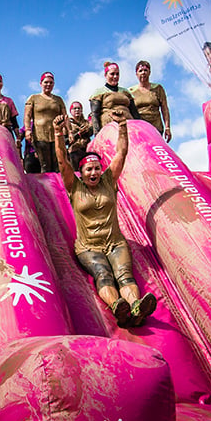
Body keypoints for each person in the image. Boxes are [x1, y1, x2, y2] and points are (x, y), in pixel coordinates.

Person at [54, 111, 157, 326]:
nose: (94, 172)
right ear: (81, 172)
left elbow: (121, 153)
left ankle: (136, 307)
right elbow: (62, 161)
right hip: (89, 247)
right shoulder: (75, 187)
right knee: (103, 274)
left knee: (125, 275)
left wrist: (122, 126)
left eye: (97, 168)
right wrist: (58, 133)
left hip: (115, 243)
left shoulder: (109, 180)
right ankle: (118, 307)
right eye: (89, 169)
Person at [24, 72, 67, 172]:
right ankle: (47, 186)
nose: (48, 85)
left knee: (58, 162)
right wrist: (27, 130)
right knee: (44, 163)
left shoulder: (58, 99)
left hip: (56, 134)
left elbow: (65, 116)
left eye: (51, 83)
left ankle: (59, 186)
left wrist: (68, 131)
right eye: (46, 82)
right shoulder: (33, 98)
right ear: (41, 83)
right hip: (40, 135)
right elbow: (27, 115)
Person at [90, 62, 140, 135]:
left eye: (117, 74)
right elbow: (95, 114)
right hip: (109, 127)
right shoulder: (99, 92)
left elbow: (135, 112)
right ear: (105, 75)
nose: (115, 76)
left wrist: (140, 128)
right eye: (112, 74)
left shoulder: (125, 92)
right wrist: (97, 134)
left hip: (128, 125)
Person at [128, 60, 171, 142]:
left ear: (149, 72)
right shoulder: (131, 91)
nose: (143, 73)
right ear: (136, 74)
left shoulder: (158, 88)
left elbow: (164, 108)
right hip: (139, 129)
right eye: (140, 71)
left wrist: (167, 127)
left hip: (155, 127)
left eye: (145, 70)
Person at [67, 101, 93, 170]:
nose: (77, 110)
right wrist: (78, 135)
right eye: (74, 108)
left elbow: (91, 133)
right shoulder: (67, 124)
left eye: (79, 108)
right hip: (74, 152)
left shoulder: (87, 122)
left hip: (87, 150)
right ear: (71, 111)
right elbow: (65, 141)